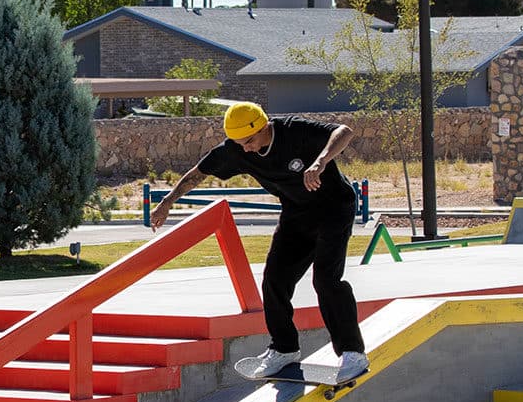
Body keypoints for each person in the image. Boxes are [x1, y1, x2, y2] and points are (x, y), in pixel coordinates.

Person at [150, 102, 367, 382]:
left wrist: (321, 160)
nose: (247, 149)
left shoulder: (293, 129)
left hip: (334, 208)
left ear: (265, 127)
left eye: (250, 141)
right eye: (240, 144)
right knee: (274, 280)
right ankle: (284, 349)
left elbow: (344, 131)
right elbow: (198, 173)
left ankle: (352, 353)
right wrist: (167, 202)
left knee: (326, 280)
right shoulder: (237, 149)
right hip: (297, 214)